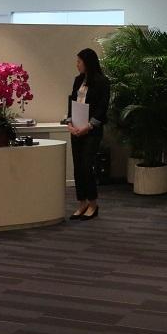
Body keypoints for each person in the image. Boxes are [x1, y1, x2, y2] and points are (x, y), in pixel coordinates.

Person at [66, 48, 110, 221]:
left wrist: (89, 126)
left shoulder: (102, 82)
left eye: (79, 61)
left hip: (91, 131)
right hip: (76, 129)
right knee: (77, 167)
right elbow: (72, 101)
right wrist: (69, 122)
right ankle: (82, 203)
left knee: (86, 166)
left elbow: (102, 108)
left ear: (88, 62)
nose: (77, 64)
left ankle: (93, 203)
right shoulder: (78, 80)